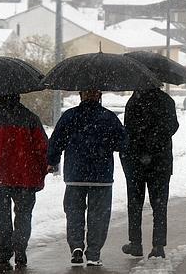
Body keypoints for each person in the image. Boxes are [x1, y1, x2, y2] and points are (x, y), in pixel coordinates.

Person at [47, 89, 127, 267]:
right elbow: (122, 143)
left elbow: (55, 141)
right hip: (101, 176)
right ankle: (93, 253)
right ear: (99, 96)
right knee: (98, 216)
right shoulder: (108, 117)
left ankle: (76, 247)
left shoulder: (69, 116)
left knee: (74, 213)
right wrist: (107, 143)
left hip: (75, 175)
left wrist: (52, 161)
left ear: (81, 95)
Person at [0, 94, 49, 271]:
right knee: (23, 215)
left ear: (0, 96)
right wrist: (45, 166)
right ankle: (20, 251)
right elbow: (42, 146)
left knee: (2, 215)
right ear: (18, 96)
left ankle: (4, 253)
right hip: (25, 175)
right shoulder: (30, 117)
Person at [120, 87, 179, 259]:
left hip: (135, 161)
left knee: (135, 203)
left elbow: (128, 129)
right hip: (160, 161)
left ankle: (136, 243)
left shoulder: (134, 101)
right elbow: (173, 126)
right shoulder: (166, 100)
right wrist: (156, 142)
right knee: (159, 204)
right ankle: (158, 245)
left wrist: (139, 145)